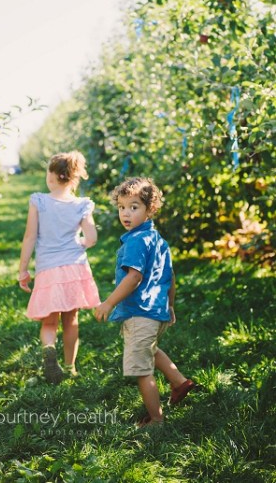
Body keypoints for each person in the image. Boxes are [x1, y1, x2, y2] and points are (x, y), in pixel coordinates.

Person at [94, 177, 195, 427]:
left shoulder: (136, 241)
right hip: (157, 311)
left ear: (150, 209)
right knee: (150, 349)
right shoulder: (158, 240)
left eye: (134, 207)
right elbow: (170, 276)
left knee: (141, 370)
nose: (126, 213)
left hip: (140, 313)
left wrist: (108, 303)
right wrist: (170, 306)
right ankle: (180, 382)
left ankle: (157, 421)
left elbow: (134, 277)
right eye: (121, 207)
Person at [18, 151, 101, 384]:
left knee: (49, 320)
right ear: (74, 178)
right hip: (74, 267)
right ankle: (70, 366)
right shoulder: (82, 205)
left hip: (48, 269)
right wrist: (82, 243)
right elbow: (92, 237)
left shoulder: (39, 201)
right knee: (71, 319)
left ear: (51, 177)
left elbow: (29, 237)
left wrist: (23, 270)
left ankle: (48, 350)